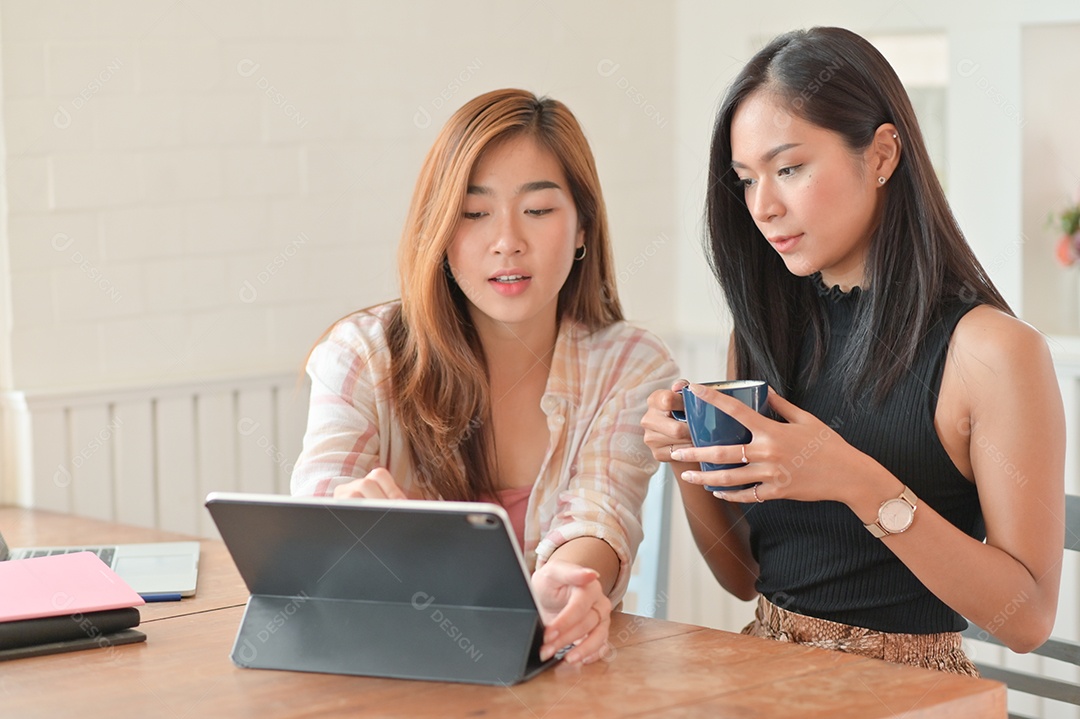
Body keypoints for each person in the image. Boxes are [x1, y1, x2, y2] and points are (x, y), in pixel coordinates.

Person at [641, 27, 1065, 675]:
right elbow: (748, 575)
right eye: (746, 180)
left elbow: (1028, 619)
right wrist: (688, 463)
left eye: (789, 169)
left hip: (914, 691)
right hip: (768, 674)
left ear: (882, 155)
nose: (764, 206)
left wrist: (857, 482)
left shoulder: (993, 352)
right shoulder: (761, 332)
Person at [291, 88, 678, 666]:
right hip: (387, 678)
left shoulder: (630, 364)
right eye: (474, 214)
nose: (507, 242)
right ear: (441, 234)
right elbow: (312, 522)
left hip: (559, 680)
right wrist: (344, 521)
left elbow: (602, 514)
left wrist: (564, 588)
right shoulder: (363, 355)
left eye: (539, 210)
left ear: (581, 229)